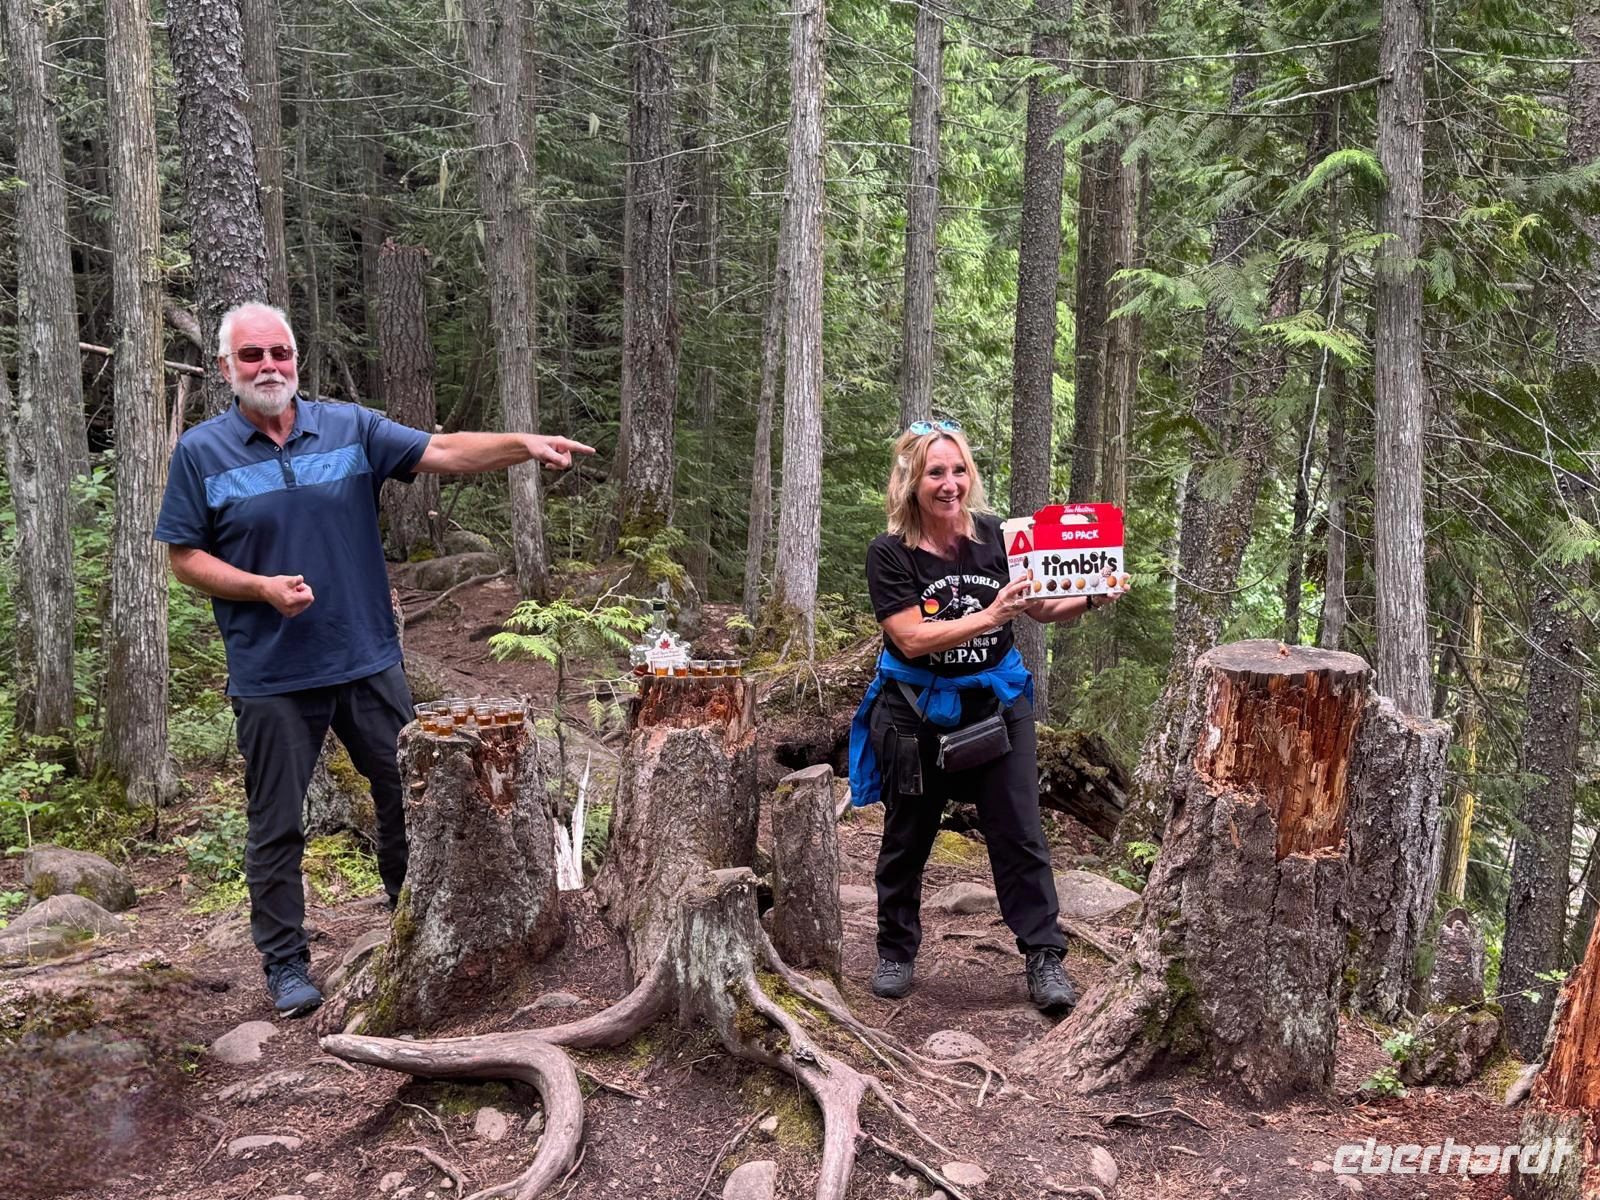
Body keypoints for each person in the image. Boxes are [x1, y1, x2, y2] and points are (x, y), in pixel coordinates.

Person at [154, 301, 593, 1018]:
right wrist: (259, 588)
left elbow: (442, 452)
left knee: (406, 799)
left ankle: (408, 919)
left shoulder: (349, 427)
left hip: (365, 657)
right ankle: (287, 965)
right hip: (272, 674)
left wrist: (524, 444)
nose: (270, 367)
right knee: (277, 823)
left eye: (280, 354)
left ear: (296, 359)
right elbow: (185, 558)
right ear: (227, 368)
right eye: (253, 356)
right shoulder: (202, 452)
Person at [848, 420, 1128, 1012]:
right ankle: (896, 950)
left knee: (1020, 831)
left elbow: (1044, 607)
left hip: (998, 704)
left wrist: (1095, 594)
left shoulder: (1001, 536)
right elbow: (910, 638)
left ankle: (1045, 958)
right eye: (935, 472)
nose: (949, 484)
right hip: (915, 712)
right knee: (908, 835)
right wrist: (993, 614)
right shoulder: (890, 552)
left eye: (958, 470)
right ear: (911, 482)